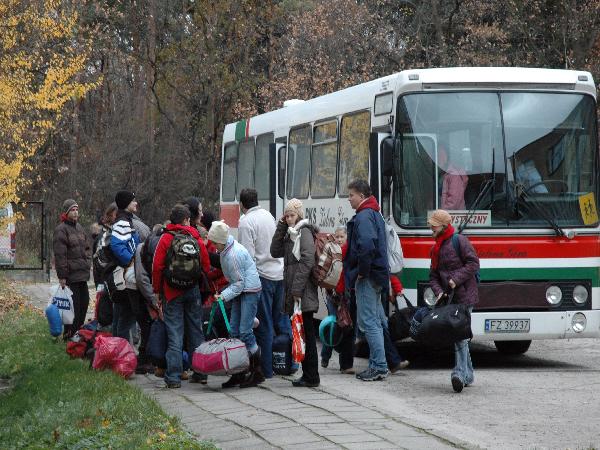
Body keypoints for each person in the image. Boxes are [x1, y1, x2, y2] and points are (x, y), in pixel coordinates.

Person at [153, 205, 211, 388]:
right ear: (186, 219)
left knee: (175, 333)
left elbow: (157, 267)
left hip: (171, 292)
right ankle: (200, 373)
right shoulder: (195, 237)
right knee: (196, 331)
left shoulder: (166, 238)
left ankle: (174, 377)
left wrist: (158, 291)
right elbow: (206, 265)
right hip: (192, 291)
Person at [238, 188, 292, 379]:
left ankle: (267, 369)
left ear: (242, 204)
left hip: (262, 276)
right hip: (280, 274)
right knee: (283, 321)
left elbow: (247, 256)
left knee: (265, 325)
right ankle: (288, 364)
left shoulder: (246, 221)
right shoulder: (268, 215)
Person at [427, 209, 480, 393]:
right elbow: (432, 276)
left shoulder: (460, 241)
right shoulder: (435, 248)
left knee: (459, 336)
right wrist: (439, 291)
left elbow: (474, 264)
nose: (430, 227)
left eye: (433, 224)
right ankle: (468, 374)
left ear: (444, 226)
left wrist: (455, 279)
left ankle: (458, 374)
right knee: (461, 336)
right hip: (449, 299)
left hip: (465, 297)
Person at [208, 220, 264, 388]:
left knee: (245, 332)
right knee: (234, 331)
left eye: (214, 242)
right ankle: (238, 372)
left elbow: (239, 283)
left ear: (220, 241)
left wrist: (223, 296)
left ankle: (257, 372)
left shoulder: (233, 255)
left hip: (249, 291)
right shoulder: (227, 249)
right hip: (242, 290)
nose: (213, 246)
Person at [270, 199, 320, 387]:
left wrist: (297, 289)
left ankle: (312, 376)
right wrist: (281, 227)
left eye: (292, 215)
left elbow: (307, 260)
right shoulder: (290, 233)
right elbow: (274, 251)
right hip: (295, 292)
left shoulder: (304, 232)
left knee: (306, 333)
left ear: (299, 214)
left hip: (302, 292)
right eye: (287, 215)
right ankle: (308, 375)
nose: (289, 218)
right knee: (302, 333)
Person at [345, 179, 390, 381]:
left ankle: (379, 366)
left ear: (361, 196)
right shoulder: (375, 213)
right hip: (378, 274)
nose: (349, 200)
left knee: (368, 322)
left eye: (351, 195)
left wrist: (361, 271)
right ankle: (377, 364)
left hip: (368, 276)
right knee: (376, 322)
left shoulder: (363, 216)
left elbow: (367, 245)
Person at [109, 190, 154, 374]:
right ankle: (125, 357)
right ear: (126, 203)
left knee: (128, 318)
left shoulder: (127, 220)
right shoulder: (122, 222)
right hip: (130, 276)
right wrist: (132, 262)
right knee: (133, 319)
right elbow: (117, 246)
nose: (136, 202)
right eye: (133, 200)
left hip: (132, 274)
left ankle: (123, 356)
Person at [52, 199, 92, 338]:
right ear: (66, 212)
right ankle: (69, 334)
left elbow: (87, 249)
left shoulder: (80, 228)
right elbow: (60, 255)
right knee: (72, 307)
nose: (75, 212)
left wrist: (88, 263)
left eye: (76, 210)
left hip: (82, 275)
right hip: (71, 276)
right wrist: (62, 276)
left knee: (84, 304)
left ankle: (78, 333)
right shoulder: (61, 230)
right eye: (72, 210)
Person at [321, 226, 347, 369]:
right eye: (337, 237)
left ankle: (344, 362)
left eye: (342, 237)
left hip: (345, 296)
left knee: (345, 327)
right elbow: (324, 270)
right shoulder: (330, 250)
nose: (339, 239)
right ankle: (325, 356)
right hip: (333, 296)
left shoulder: (348, 251)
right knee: (332, 325)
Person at [439, 144, 468, 210]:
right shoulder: (447, 173)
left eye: (441, 155)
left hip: (453, 216)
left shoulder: (454, 175)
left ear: (447, 157)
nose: (439, 158)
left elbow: (454, 202)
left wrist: (443, 211)